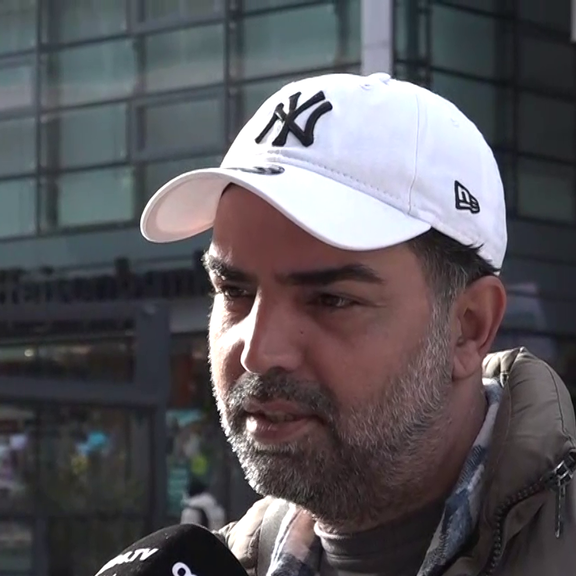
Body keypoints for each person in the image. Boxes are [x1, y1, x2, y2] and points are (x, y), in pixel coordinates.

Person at [140, 72, 576, 575]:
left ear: (468, 327)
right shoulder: (209, 564)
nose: (258, 352)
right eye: (235, 291)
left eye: (330, 300)